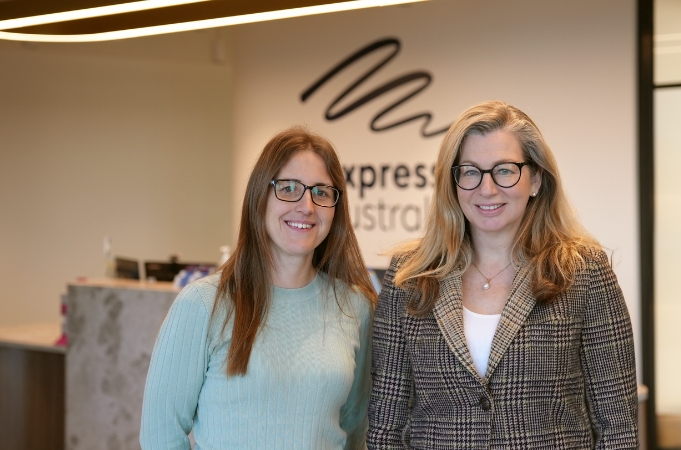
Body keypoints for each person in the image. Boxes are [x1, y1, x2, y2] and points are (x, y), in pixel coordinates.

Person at [368, 101, 638, 449]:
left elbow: (617, 426)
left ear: (536, 179)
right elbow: (386, 426)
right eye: (470, 171)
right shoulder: (410, 277)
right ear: (451, 183)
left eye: (505, 170)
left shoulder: (583, 272)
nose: (487, 188)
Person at [141, 127, 376, 450]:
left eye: (321, 192)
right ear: (259, 197)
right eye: (289, 188)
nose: (306, 206)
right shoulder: (203, 304)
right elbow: (160, 436)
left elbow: (355, 430)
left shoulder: (354, 307)